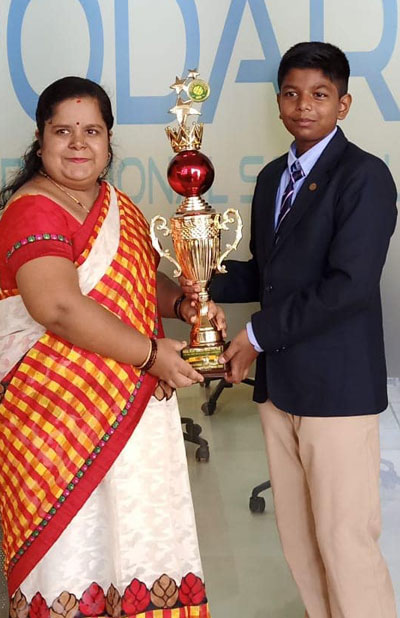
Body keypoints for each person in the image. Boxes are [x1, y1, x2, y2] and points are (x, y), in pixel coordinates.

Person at [185, 42, 398, 617]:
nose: (304, 106)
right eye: (292, 93)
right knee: (300, 539)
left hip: (336, 390)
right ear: (279, 101)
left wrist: (254, 337)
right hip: (281, 386)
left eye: (320, 95)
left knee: (344, 540)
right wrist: (197, 275)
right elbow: (268, 273)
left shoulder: (365, 177)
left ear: (343, 104)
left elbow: (348, 286)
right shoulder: (273, 177)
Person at [0, 76, 223, 617]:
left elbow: (143, 281)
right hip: (54, 418)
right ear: (40, 140)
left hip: (132, 411)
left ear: (108, 141)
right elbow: (57, 307)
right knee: (72, 557)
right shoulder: (32, 209)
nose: (78, 143)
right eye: (63, 131)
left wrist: (185, 304)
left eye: (92, 131)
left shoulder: (116, 205)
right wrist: (152, 355)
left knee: (135, 546)